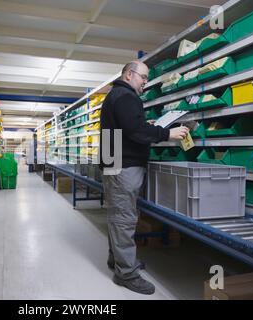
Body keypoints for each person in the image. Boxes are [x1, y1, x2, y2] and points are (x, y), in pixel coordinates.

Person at [100, 60, 189, 295]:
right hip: (123, 165)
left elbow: (128, 127)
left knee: (117, 214)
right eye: (143, 77)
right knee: (124, 218)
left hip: (114, 161)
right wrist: (167, 132)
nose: (145, 83)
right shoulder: (126, 96)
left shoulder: (115, 95)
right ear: (129, 74)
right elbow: (135, 131)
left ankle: (117, 260)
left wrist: (143, 124)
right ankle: (126, 274)